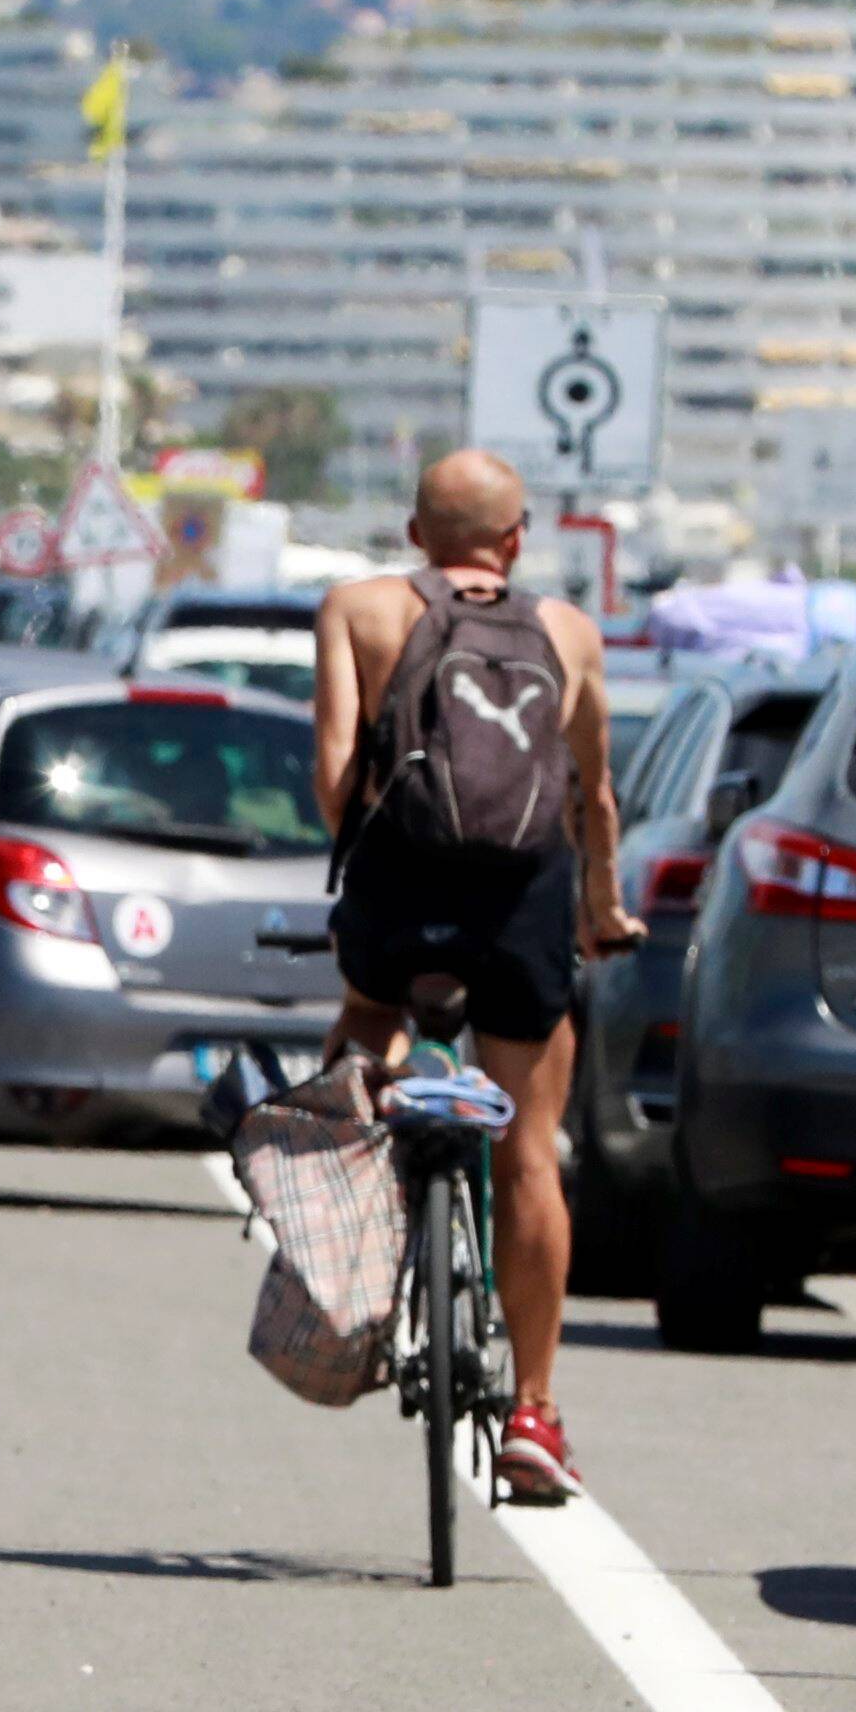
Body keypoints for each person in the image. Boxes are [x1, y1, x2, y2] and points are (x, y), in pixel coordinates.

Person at [308, 447, 640, 1504]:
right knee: (530, 1150)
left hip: (397, 897)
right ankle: (533, 1408)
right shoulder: (568, 633)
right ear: (516, 536)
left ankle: (351, 1270)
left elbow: (332, 777)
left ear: (414, 535)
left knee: (366, 1022)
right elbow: (589, 797)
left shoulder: (357, 607)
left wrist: (377, 867)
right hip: (520, 906)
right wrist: (600, 910)